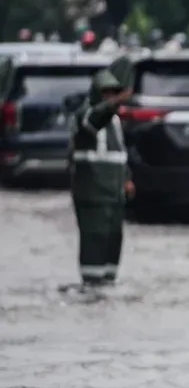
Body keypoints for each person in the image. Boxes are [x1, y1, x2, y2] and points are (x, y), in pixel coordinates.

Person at [68, 67, 134, 286]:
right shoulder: (85, 115)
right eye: (106, 93)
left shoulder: (115, 121)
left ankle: (108, 284)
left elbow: (120, 154)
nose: (111, 97)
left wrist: (127, 179)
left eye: (114, 92)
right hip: (92, 193)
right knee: (94, 239)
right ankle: (90, 286)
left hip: (114, 194)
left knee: (114, 239)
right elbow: (94, 120)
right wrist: (115, 102)